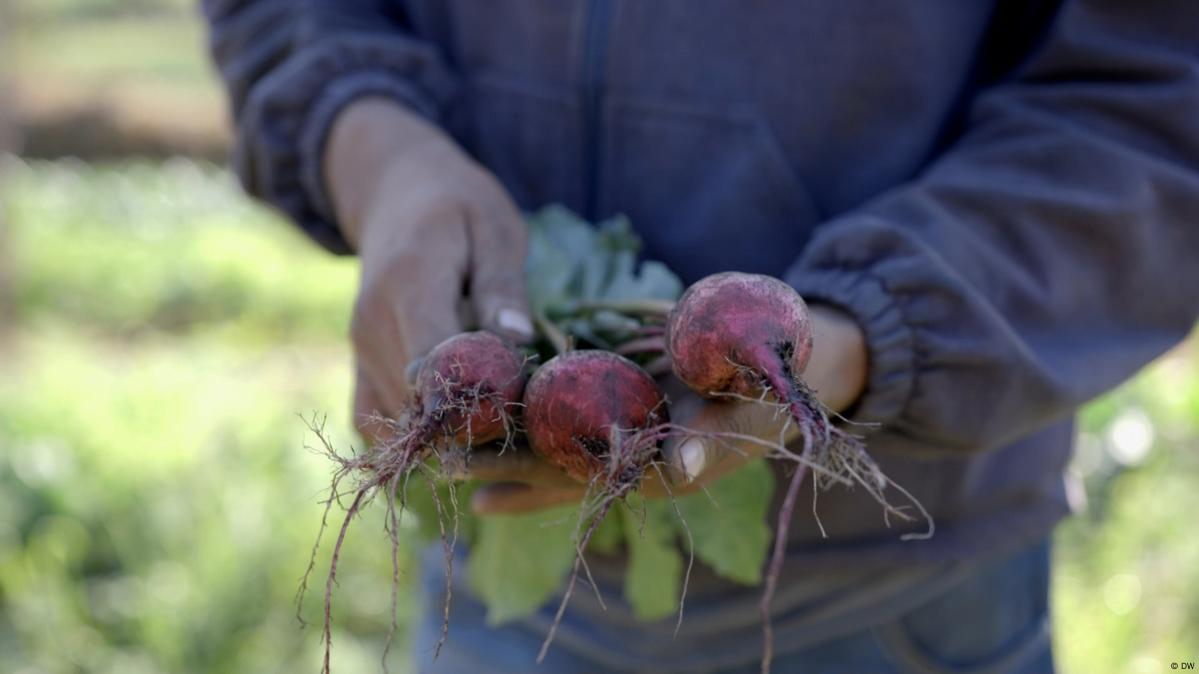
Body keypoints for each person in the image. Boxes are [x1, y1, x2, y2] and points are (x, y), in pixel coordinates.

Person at [204, 2, 1199, 672]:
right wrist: (374, 147)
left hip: (896, 596)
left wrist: (867, 328)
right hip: (491, 584)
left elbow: (1157, 93)